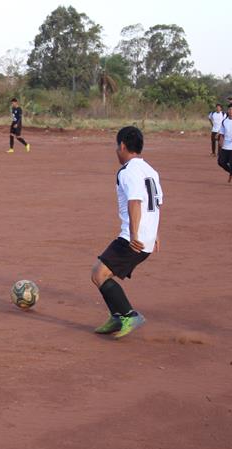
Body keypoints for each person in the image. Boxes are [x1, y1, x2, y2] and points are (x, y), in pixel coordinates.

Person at [90, 126, 162, 338]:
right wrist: (154, 233)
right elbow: (156, 204)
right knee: (104, 273)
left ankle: (128, 315)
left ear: (122, 145)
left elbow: (136, 202)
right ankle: (117, 316)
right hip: (146, 237)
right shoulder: (151, 170)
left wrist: (134, 235)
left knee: (98, 274)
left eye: (116, 146)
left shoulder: (128, 171)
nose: (116, 151)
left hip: (134, 238)